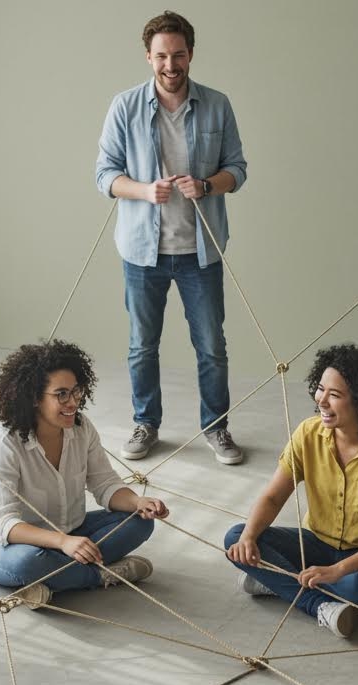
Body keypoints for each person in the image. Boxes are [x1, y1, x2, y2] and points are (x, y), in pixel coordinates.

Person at [96, 10, 248, 466]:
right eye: (161, 55)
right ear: (148, 56)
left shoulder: (217, 104)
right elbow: (104, 174)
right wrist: (145, 191)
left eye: (178, 55)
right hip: (143, 253)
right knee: (143, 345)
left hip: (202, 250)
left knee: (212, 346)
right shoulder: (124, 106)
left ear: (191, 55)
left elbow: (238, 169)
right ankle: (146, 423)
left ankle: (216, 427)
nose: (170, 64)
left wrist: (204, 186)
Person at [224, 345, 358, 638]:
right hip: (316, 543)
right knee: (236, 538)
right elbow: (273, 496)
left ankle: (281, 582)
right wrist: (250, 537)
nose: (321, 401)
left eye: (335, 395)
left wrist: (338, 570)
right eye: (320, 389)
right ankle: (319, 605)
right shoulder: (307, 433)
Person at [0, 340, 169, 606]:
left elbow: (105, 483)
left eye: (76, 391)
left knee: (140, 522)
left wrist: (138, 502)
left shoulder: (81, 428)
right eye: (61, 394)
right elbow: (4, 524)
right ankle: (99, 576)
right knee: (26, 562)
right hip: (9, 546)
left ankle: (50, 581)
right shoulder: (5, 442)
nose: (73, 402)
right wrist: (63, 542)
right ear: (34, 397)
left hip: (72, 531)